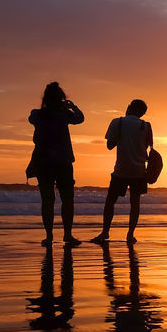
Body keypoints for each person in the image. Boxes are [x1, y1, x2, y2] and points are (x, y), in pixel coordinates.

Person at [28, 82, 84, 246]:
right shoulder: (64, 114)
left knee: (47, 200)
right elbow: (80, 118)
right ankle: (67, 234)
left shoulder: (37, 115)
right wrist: (72, 106)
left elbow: (32, 119)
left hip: (43, 161)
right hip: (63, 161)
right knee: (67, 199)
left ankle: (49, 236)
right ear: (61, 99)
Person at [91, 99, 154, 244]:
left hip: (121, 170)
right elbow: (148, 146)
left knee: (110, 201)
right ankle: (130, 235)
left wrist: (122, 138)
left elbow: (109, 145)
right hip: (139, 171)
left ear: (129, 108)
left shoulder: (117, 122)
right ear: (142, 113)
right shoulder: (146, 126)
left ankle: (105, 232)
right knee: (135, 203)